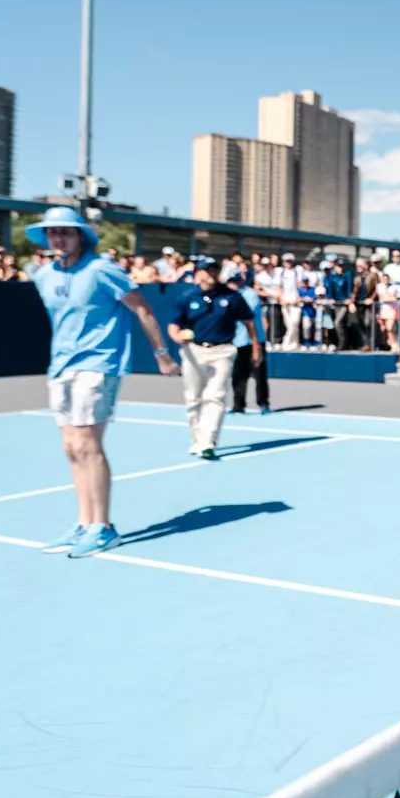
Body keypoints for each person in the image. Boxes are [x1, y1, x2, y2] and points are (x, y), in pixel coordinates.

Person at [25, 206, 178, 559]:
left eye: (65, 231)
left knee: (88, 444)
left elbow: (142, 308)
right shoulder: (44, 275)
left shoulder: (102, 269)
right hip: (61, 367)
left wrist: (161, 352)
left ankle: (103, 527)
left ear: (80, 236)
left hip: (99, 364)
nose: (58, 238)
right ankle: (84, 522)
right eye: (52, 232)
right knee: (71, 447)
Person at [169, 259, 261, 460]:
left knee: (216, 396)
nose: (210, 274)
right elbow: (174, 324)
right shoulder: (187, 297)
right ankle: (197, 439)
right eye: (206, 270)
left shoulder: (232, 296)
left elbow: (249, 322)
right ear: (198, 273)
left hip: (223, 350)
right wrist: (177, 336)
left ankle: (208, 442)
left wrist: (256, 348)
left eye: (214, 270)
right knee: (193, 398)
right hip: (193, 351)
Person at [227, 267, 271, 415]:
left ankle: (263, 404)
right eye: (231, 281)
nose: (233, 284)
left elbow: (246, 315)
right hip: (238, 342)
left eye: (236, 281)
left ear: (242, 280)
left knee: (260, 374)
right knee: (238, 375)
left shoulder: (250, 294)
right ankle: (238, 405)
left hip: (255, 341)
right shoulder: (228, 295)